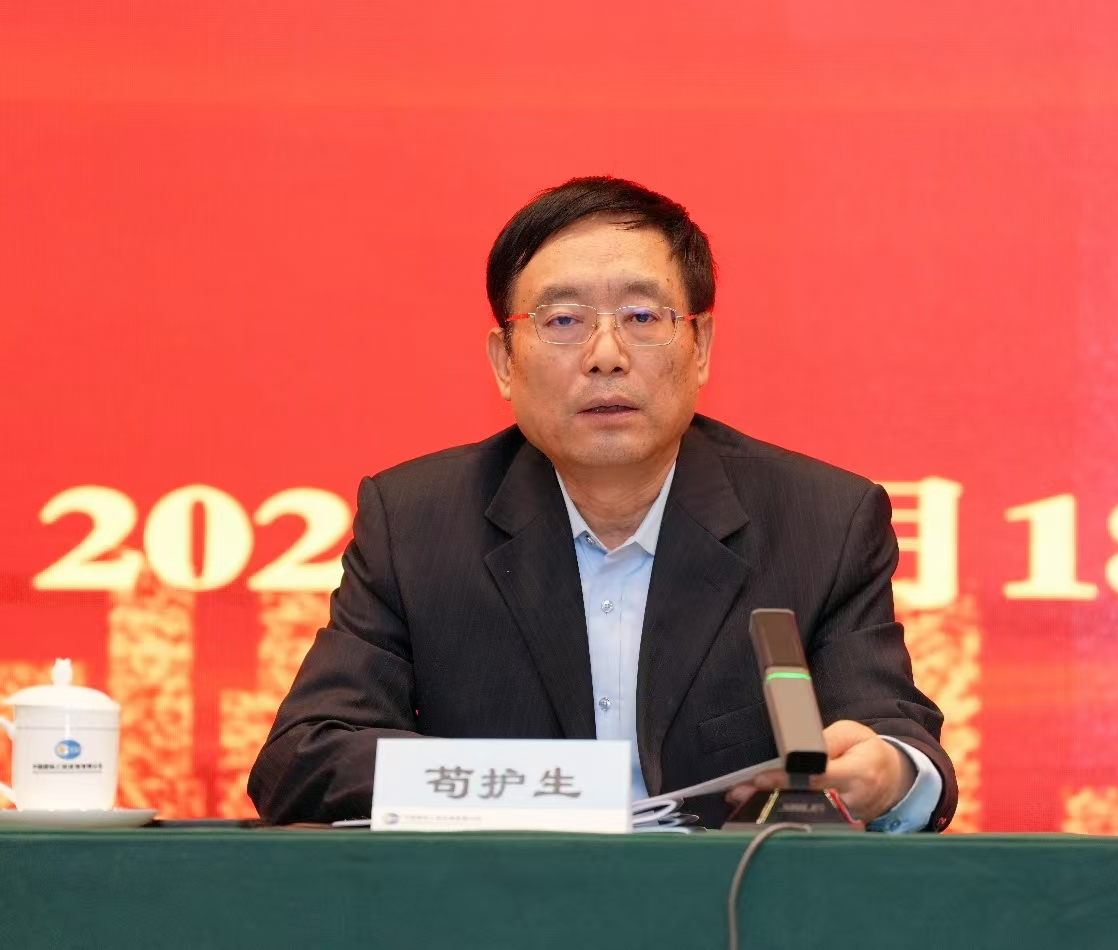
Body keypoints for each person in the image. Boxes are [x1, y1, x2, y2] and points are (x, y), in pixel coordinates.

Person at [248, 176, 957, 831]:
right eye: (563, 320)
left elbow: (894, 741)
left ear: (701, 347)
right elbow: (304, 759)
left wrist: (890, 775)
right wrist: (538, 790)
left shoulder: (823, 522)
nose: (606, 354)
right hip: (499, 903)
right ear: (504, 362)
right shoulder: (416, 523)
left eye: (643, 315)